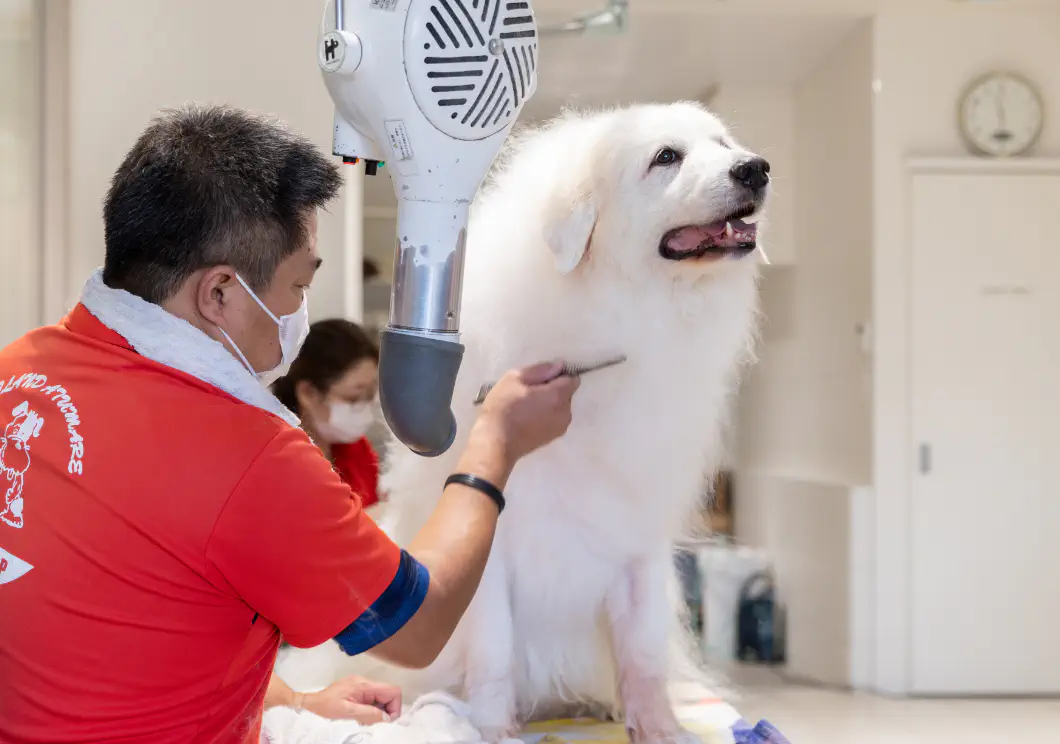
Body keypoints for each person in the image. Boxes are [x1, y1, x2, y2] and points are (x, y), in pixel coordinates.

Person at [0, 104, 579, 744]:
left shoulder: (16, 370)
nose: (300, 310)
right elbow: (419, 625)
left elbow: (135, 616)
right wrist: (496, 443)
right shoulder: (248, 456)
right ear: (219, 293)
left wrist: (297, 699)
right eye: (299, 286)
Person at [271, 319, 384, 508]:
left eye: (370, 394)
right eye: (354, 397)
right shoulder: (281, 465)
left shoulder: (355, 448)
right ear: (309, 393)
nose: (365, 406)